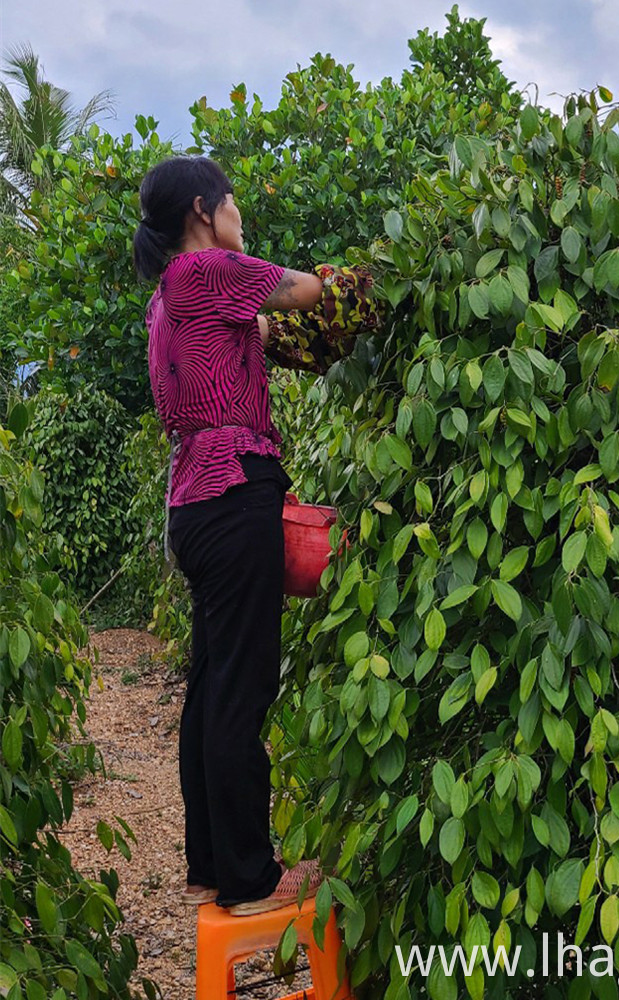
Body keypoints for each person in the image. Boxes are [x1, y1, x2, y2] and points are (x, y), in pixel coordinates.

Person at [133, 155, 334, 916]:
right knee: (243, 690)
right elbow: (307, 292)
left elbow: (254, 330)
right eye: (233, 204)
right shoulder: (208, 270)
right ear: (201, 209)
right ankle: (251, 878)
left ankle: (213, 864)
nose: (240, 217)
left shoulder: (165, 299)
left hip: (193, 502)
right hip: (233, 486)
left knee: (213, 685)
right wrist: (366, 277)